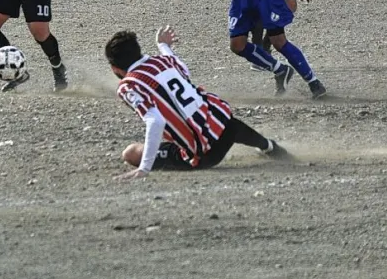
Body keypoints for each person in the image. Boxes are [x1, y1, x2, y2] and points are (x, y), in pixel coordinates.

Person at [106, 25, 292, 180]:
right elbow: (182, 68)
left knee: (130, 153)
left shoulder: (128, 85)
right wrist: (163, 45)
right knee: (213, 115)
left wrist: (144, 168)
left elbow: (155, 121)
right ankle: (269, 146)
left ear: (115, 68)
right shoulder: (162, 62)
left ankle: (181, 153)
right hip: (228, 126)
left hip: (205, 154)